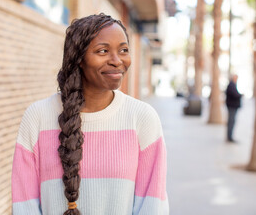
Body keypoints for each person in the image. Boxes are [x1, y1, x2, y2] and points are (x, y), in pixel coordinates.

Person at [11, 13, 169, 215]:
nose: (116, 60)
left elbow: (152, 204)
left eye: (123, 50)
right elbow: (25, 205)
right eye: (103, 51)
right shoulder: (38, 117)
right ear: (78, 59)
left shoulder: (142, 118)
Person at [225, 74, 242, 143]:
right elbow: (234, 94)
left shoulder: (233, 85)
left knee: (232, 121)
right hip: (232, 106)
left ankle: (230, 136)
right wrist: (240, 95)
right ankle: (229, 137)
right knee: (231, 121)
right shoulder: (231, 85)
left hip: (233, 106)